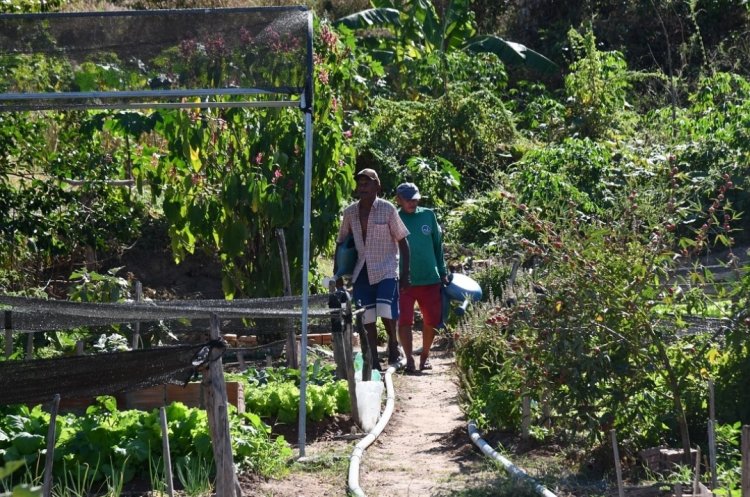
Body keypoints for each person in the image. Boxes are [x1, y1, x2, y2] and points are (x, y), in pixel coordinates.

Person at [334, 168, 411, 371]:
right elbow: (341, 241)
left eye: (367, 183)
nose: (363, 187)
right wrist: (338, 274)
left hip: (386, 268)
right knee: (366, 317)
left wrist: (405, 275)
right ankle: (374, 358)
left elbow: (403, 241)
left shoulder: (387, 209)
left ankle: (393, 344)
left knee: (386, 310)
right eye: (360, 184)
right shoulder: (350, 212)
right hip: (363, 270)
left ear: (377, 186)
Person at [395, 182, 448, 372]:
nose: (412, 203)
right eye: (408, 199)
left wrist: (442, 272)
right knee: (404, 320)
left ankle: (425, 356)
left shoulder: (428, 215)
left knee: (431, 320)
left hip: (429, 278)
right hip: (403, 281)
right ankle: (409, 359)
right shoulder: (394, 217)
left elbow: (437, 245)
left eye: (415, 199)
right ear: (398, 200)